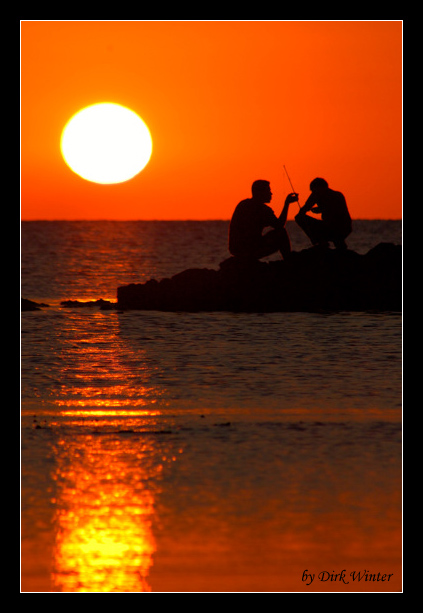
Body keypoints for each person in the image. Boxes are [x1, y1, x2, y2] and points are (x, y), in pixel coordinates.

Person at [229, 180, 298, 260]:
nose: (271, 193)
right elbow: (279, 225)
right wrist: (287, 204)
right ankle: (288, 260)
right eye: (268, 190)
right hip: (249, 250)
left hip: (236, 250)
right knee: (281, 233)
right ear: (260, 193)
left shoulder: (243, 204)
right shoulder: (262, 209)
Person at [295, 178, 352, 249]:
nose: (313, 193)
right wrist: (318, 208)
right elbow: (328, 207)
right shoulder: (337, 195)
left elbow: (333, 211)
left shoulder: (335, 195)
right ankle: (337, 245)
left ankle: (322, 243)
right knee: (300, 217)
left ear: (321, 188)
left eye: (314, 191)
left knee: (299, 218)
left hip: (338, 228)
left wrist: (315, 205)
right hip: (342, 228)